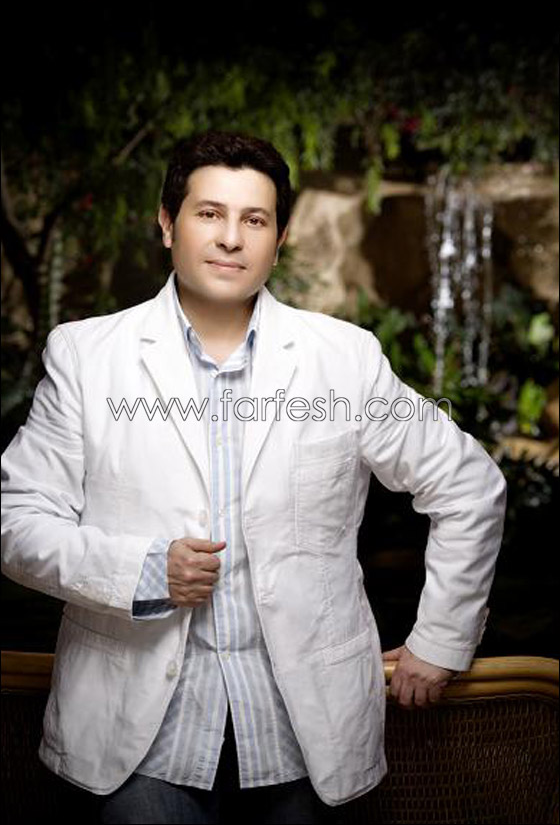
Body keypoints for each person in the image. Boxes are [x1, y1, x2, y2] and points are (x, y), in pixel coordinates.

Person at [1, 130, 507, 824]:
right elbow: (16, 520)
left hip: (305, 739)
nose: (231, 238)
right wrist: (143, 571)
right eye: (209, 213)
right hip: (136, 741)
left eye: (255, 219)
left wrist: (441, 637)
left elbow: (470, 486)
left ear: (280, 238)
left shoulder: (345, 361)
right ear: (167, 223)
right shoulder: (87, 358)